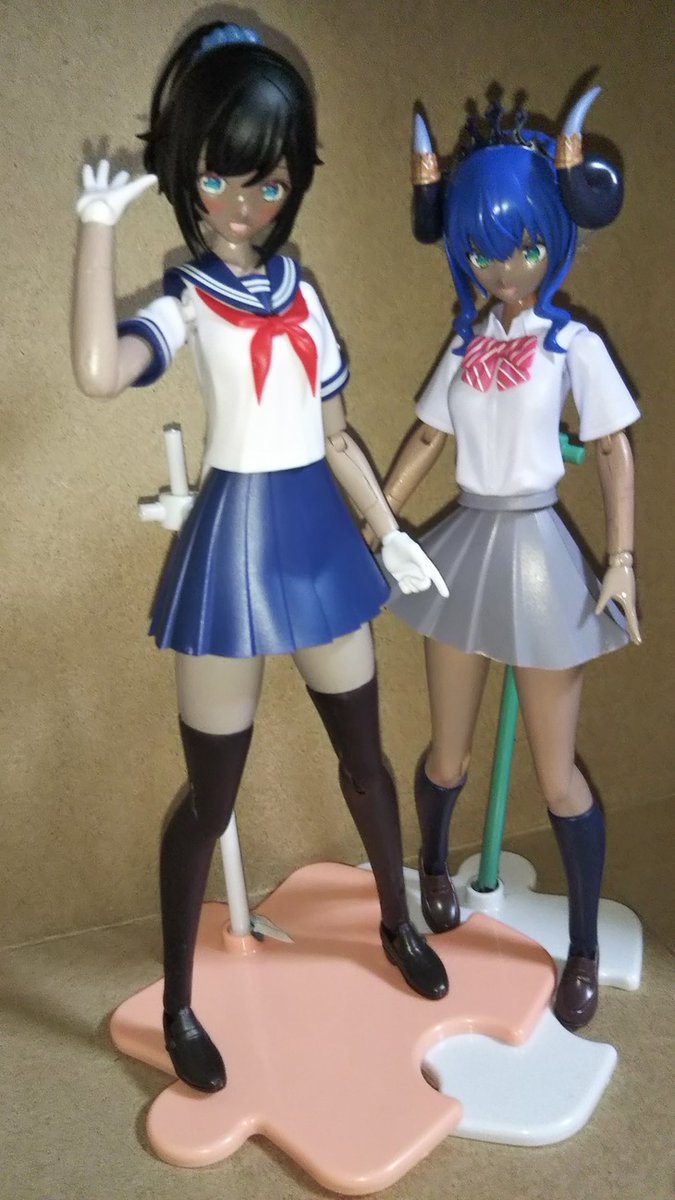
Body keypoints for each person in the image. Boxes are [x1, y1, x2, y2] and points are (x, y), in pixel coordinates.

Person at [71, 21, 449, 1095]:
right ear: (185, 173)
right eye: (219, 179)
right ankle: (181, 1000)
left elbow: (336, 436)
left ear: (293, 185)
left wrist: (388, 531)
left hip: (318, 542)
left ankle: (396, 921)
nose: (243, 206)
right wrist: (96, 231)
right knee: (211, 796)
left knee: (367, 760)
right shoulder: (190, 298)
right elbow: (100, 371)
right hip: (235, 546)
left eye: (268, 183)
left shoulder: (303, 296)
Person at [375, 89, 640, 1031]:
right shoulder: (465, 343)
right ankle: (432, 868)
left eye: (521, 246)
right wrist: (378, 517)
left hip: (537, 553)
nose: (503, 267)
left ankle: (582, 944)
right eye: (484, 251)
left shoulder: (571, 344)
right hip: (462, 549)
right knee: (447, 753)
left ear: (553, 240)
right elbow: (425, 436)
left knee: (557, 776)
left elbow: (611, 448)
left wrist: (620, 559)